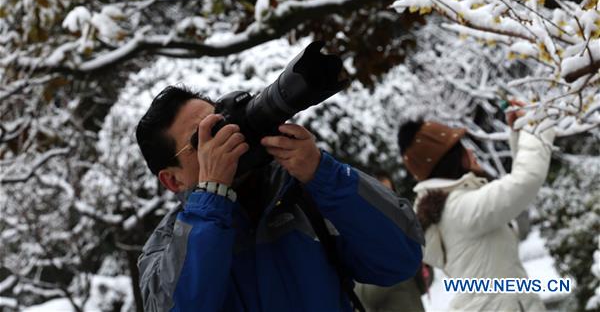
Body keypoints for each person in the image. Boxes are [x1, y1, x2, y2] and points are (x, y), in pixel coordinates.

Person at [135, 85, 424, 311]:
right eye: (200, 140)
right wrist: (212, 198)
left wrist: (323, 173)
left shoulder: (305, 195)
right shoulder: (164, 249)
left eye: (218, 124)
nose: (222, 139)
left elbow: (400, 260)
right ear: (172, 180)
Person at [398, 104, 554, 311]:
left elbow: (513, 195)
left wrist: (519, 132)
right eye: (462, 147)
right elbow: (525, 181)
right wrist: (536, 126)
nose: (471, 150)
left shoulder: (448, 209)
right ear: (451, 159)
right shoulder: (459, 209)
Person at [354, 171, 429, 312]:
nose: (388, 199)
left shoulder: (403, 231)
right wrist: (396, 264)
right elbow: (363, 296)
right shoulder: (358, 236)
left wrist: (422, 266)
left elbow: (423, 287)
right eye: (381, 193)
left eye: (390, 192)